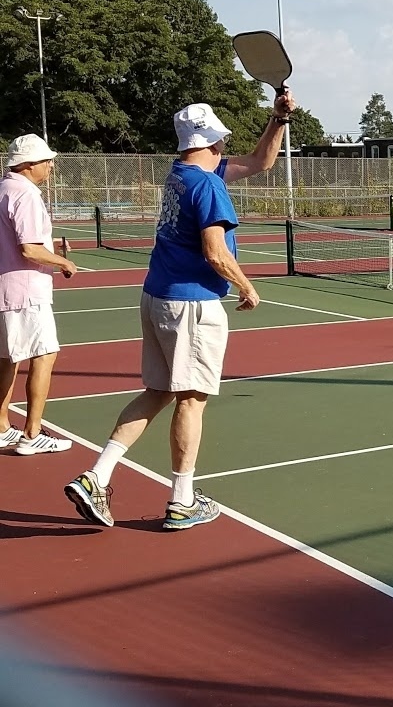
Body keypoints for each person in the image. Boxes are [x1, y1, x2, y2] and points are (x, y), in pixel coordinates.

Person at [65, 91, 295, 530]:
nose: (226, 146)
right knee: (192, 399)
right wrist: (246, 285)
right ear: (213, 141)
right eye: (222, 140)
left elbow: (261, 163)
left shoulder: (180, 174)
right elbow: (214, 252)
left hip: (156, 296)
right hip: (191, 305)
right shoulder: (208, 184)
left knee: (158, 391)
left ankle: (97, 476)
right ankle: (182, 500)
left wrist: (278, 120)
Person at [0, 134, 78, 454]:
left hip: (5, 289)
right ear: (30, 164)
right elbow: (29, 249)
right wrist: (63, 261)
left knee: (7, 358)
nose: (50, 166)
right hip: (27, 290)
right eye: (47, 161)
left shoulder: (3, 188)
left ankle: (2, 426)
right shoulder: (27, 194)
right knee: (44, 354)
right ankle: (32, 434)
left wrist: (52, 247)